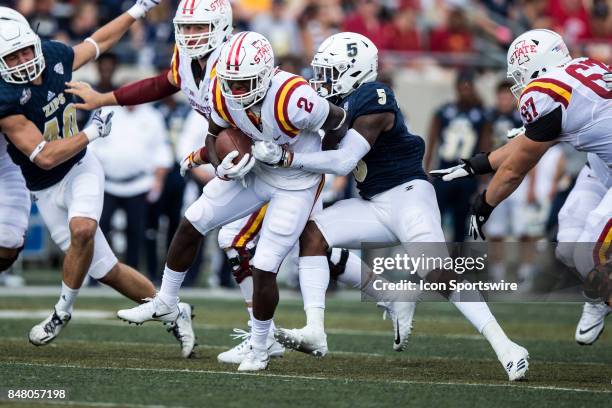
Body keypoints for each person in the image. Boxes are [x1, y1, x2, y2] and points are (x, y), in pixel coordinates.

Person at [259, 32, 529, 381]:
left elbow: (344, 161)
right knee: (312, 235)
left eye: (328, 72)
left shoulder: (374, 95)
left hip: (408, 195)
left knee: (436, 273)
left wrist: (285, 157)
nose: (320, 80)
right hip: (373, 203)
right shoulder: (337, 104)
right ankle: (326, 324)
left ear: (354, 71)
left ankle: (506, 345)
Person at [114, 31, 351, 372]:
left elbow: (338, 122)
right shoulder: (221, 90)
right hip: (256, 172)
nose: (236, 90)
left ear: (267, 74)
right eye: (232, 82)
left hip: (297, 181)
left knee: (265, 263)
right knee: (193, 219)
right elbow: (215, 135)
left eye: (245, 83)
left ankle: (259, 346)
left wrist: (320, 160)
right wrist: (218, 161)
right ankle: (165, 300)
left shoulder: (293, 96)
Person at [66, 0, 285, 364]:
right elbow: (165, 84)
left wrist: (215, 155)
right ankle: (177, 305)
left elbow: (242, 128)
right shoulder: (187, 59)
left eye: (199, 27)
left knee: (289, 243)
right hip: (243, 161)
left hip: (276, 162)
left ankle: (265, 336)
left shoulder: (236, 59)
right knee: (214, 231)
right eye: (186, 27)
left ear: (220, 25)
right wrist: (104, 98)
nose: (190, 34)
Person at [0, 4, 196, 357]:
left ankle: (61, 312)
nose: (24, 60)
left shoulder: (55, 55)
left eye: (26, 50)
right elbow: (43, 155)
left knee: (83, 230)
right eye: (12, 57)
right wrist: (91, 133)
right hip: (43, 186)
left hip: (81, 169)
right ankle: (173, 310)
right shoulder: (6, 97)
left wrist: (137, 10)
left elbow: (98, 42)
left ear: (35, 40)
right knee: (108, 269)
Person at [431, 29, 611, 345]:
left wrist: (483, 205)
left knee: (587, 254)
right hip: (600, 166)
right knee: (568, 248)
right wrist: (476, 165)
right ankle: (597, 295)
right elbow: (525, 144)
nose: (520, 83)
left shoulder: (546, 93)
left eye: (521, 73)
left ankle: (600, 296)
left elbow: (516, 168)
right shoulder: (580, 70)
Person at [424, 70, 492, 242]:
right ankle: (432, 261)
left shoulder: (481, 114)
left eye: (468, 86)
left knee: (460, 222)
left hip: (467, 174)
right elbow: (431, 141)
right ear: (456, 88)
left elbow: (485, 147)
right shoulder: (443, 111)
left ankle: (457, 264)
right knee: (434, 218)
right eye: (462, 86)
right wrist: (427, 170)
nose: (465, 90)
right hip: (444, 171)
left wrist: (483, 180)